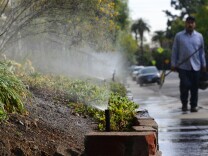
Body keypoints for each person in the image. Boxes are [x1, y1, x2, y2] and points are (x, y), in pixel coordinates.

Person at [171, 16, 206, 112]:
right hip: (183, 66)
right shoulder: (179, 36)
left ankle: (193, 105)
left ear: (194, 24)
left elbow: (201, 52)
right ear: (185, 24)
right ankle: (184, 104)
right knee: (185, 85)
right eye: (188, 22)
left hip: (196, 66)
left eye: (192, 23)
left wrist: (204, 65)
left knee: (195, 87)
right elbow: (175, 50)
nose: (190, 24)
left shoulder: (199, 36)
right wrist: (173, 63)